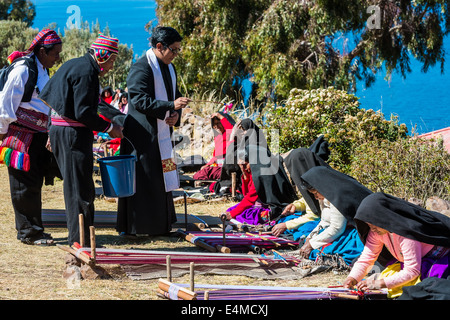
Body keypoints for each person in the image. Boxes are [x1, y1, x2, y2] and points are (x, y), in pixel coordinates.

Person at [39, 34, 124, 246]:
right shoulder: (87, 72)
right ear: (102, 55)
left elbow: (53, 100)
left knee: (78, 187)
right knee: (80, 190)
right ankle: (80, 241)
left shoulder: (74, 65)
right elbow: (83, 111)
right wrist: (109, 127)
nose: (113, 65)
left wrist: (51, 130)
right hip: (72, 136)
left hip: (62, 132)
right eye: (112, 60)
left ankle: (83, 238)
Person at [116, 26, 191, 237]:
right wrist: (170, 105)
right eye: (173, 50)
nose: (176, 55)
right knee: (144, 180)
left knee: (163, 179)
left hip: (163, 136)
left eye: (178, 50)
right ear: (159, 46)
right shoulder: (142, 67)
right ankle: (137, 227)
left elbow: (174, 99)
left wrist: (176, 114)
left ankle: (161, 224)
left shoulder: (169, 68)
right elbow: (138, 100)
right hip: (142, 136)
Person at [0, 29, 63, 246]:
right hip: (20, 135)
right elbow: (5, 103)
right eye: (55, 54)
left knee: (34, 183)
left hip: (37, 134)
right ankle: (28, 232)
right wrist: (1, 131)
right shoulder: (23, 70)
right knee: (23, 185)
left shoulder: (41, 69)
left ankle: (35, 229)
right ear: (43, 52)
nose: (58, 58)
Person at [344, 192, 450, 297]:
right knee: (389, 275)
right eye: (368, 225)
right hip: (415, 262)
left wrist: (378, 284)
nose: (372, 229)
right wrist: (352, 278)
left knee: (423, 287)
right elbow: (367, 257)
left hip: (436, 261)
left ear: (383, 218)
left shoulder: (406, 233)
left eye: (374, 224)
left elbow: (412, 271)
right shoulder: (376, 232)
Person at [289, 166, 372, 264]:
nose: (316, 197)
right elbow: (324, 221)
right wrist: (310, 238)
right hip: (343, 228)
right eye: (313, 194)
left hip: (361, 230)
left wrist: (311, 244)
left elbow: (337, 228)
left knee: (329, 250)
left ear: (321, 187)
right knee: (309, 242)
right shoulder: (325, 193)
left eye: (316, 193)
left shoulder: (338, 195)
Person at [222, 144, 297, 226]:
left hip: (272, 208)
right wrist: (245, 174)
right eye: (241, 165)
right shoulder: (254, 172)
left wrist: (232, 214)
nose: (245, 168)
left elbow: (250, 199)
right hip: (257, 205)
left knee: (244, 216)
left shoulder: (263, 175)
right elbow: (245, 194)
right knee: (232, 210)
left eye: (245, 164)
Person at [272, 144, 331, 237]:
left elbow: (314, 214)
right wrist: (295, 205)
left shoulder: (324, 185)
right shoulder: (310, 182)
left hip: (323, 221)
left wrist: (287, 225)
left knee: (304, 229)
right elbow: (308, 199)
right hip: (315, 218)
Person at [193, 111, 235, 181]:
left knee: (201, 174)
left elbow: (230, 128)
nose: (216, 126)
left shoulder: (228, 135)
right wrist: (208, 165)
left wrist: (220, 116)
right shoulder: (218, 137)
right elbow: (215, 156)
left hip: (226, 168)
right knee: (200, 173)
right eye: (214, 124)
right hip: (218, 166)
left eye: (218, 123)